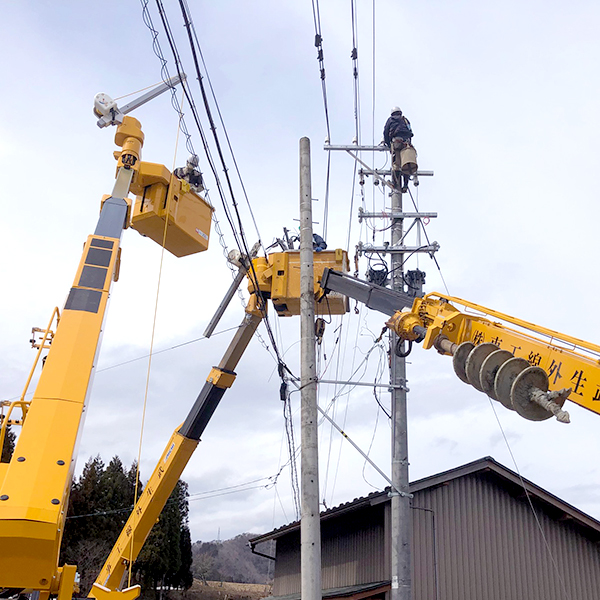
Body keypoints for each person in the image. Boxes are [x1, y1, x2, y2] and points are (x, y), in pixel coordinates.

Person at [383, 107, 415, 192]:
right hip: (406, 143)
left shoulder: (390, 120)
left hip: (396, 142)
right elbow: (410, 131)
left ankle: (395, 183)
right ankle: (405, 185)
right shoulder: (405, 120)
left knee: (396, 164)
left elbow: (386, 132)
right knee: (406, 164)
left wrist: (389, 145)